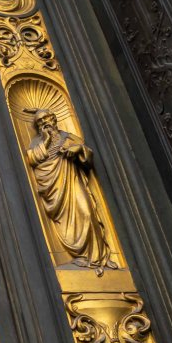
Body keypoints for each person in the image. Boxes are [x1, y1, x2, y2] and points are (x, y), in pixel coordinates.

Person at [25, 108, 116, 272]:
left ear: (53, 118)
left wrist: (78, 149)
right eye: (39, 122)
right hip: (54, 186)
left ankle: (99, 257)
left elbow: (86, 153)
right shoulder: (37, 143)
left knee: (87, 213)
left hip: (73, 180)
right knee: (68, 220)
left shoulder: (67, 137)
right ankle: (82, 256)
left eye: (46, 118)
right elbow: (32, 158)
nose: (44, 123)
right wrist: (45, 142)